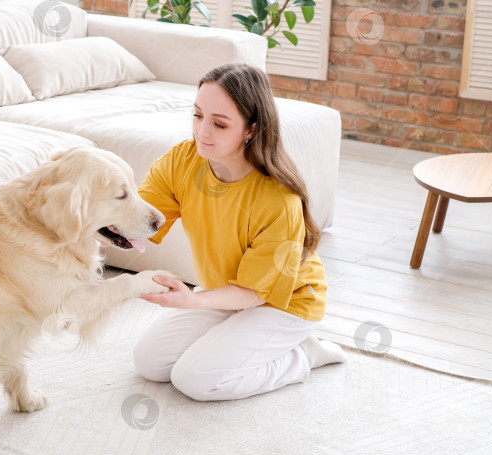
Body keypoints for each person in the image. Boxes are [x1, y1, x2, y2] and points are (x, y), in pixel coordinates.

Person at [133, 63, 345, 402]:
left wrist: (191, 300)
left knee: (196, 381)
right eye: (198, 115)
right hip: (224, 291)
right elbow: (138, 222)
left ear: (251, 129)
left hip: (281, 301)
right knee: (149, 363)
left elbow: (254, 293)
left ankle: (304, 354)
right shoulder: (182, 160)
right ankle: (236, 338)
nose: (202, 132)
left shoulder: (278, 200)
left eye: (219, 124)